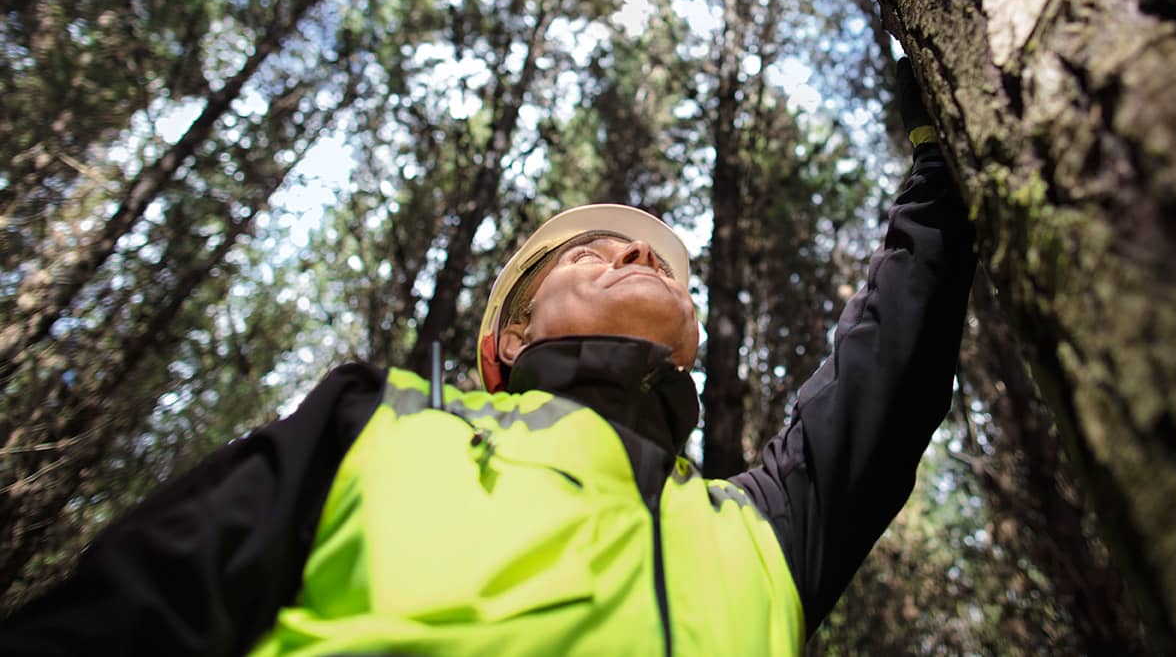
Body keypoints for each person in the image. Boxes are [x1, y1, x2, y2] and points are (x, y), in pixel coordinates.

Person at [0, 58, 978, 656]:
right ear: (503, 341)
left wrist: (939, 151)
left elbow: (894, 347)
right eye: (589, 251)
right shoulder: (374, 423)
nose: (639, 250)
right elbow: (126, 613)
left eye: (661, 260)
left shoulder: (764, 529)